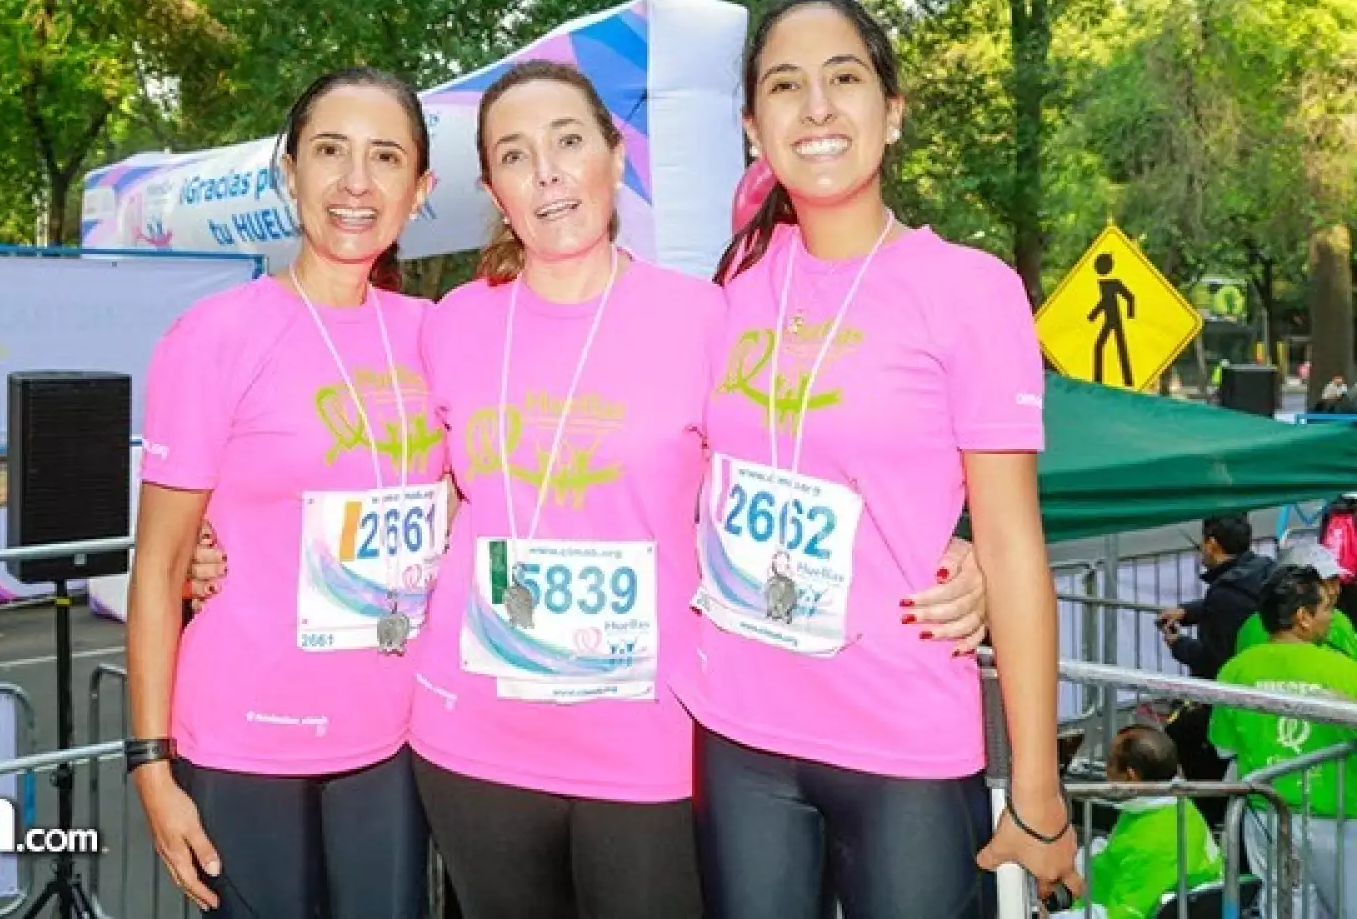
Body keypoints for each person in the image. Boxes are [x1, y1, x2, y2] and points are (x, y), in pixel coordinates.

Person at [183, 60, 994, 918]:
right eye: (515, 155)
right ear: (495, 188)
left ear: (616, 158)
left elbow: (803, 450)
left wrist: (956, 547)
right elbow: (385, 465)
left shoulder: (708, 316)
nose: (548, 172)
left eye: (569, 141)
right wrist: (216, 539)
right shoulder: (448, 323)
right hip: (472, 739)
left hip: (650, 745)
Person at [677, 0, 1081, 917]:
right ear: (753, 125)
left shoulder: (969, 289)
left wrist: (1039, 789)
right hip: (741, 735)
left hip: (903, 738)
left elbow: (1015, 545)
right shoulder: (727, 287)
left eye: (844, 79)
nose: (816, 107)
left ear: (892, 112)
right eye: (785, 86)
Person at [125, 67, 448, 918]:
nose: (354, 182)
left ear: (421, 190)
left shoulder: (441, 335)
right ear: (288, 171)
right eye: (329, 151)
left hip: (396, 736)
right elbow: (158, 567)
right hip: (244, 735)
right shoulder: (215, 335)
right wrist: (150, 765)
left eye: (385, 157)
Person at [1210, 563, 1357, 919]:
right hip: (1339, 819)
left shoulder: (1236, 670)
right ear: (1303, 617)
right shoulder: (1345, 670)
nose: (1331, 617)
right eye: (1326, 609)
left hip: (1267, 816)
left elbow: (1223, 747)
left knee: (1285, 911)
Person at [1053, 725, 1223, 919]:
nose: (1106, 771)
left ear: (1131, 775)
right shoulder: (1179, 808)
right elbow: (1115, 852)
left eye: (1109, 762)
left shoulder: (1151, 841)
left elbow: (1121, 915)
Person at [1157, 513, 1274, 680]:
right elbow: (1239, 603)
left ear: (1212, 545)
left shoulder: (1224, 592)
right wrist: (1186, 612)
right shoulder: (1263, 569)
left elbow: (1214, 662)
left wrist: (1178, 644)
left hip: (1236, 688)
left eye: (1202, 541)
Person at [1237, 543, 1357, 660]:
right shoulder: (1253, 627)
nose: (1333, 590)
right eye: (1323, 581)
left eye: (1335, 579)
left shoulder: (1340, 621)